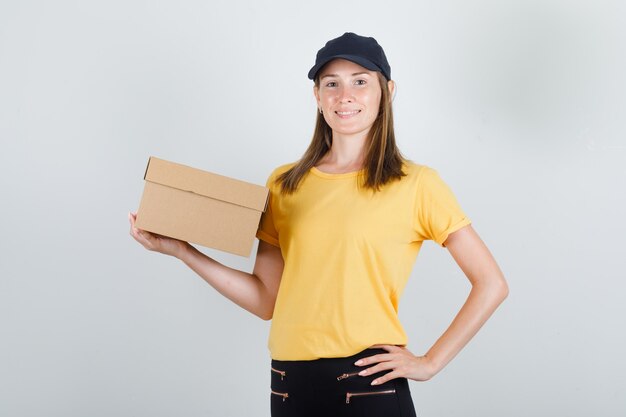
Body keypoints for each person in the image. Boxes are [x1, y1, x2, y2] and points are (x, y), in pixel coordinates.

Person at [129, 32, 508, 417]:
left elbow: (491, 283)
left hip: (367, 387)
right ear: (317, 97)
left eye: (360, 81)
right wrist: (182, 251)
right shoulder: (283, 184)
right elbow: (265, 300)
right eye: (332, 84)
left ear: (387, 91)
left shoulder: (416, 184)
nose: (345, 95)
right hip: (289, 387)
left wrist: (429, 362)